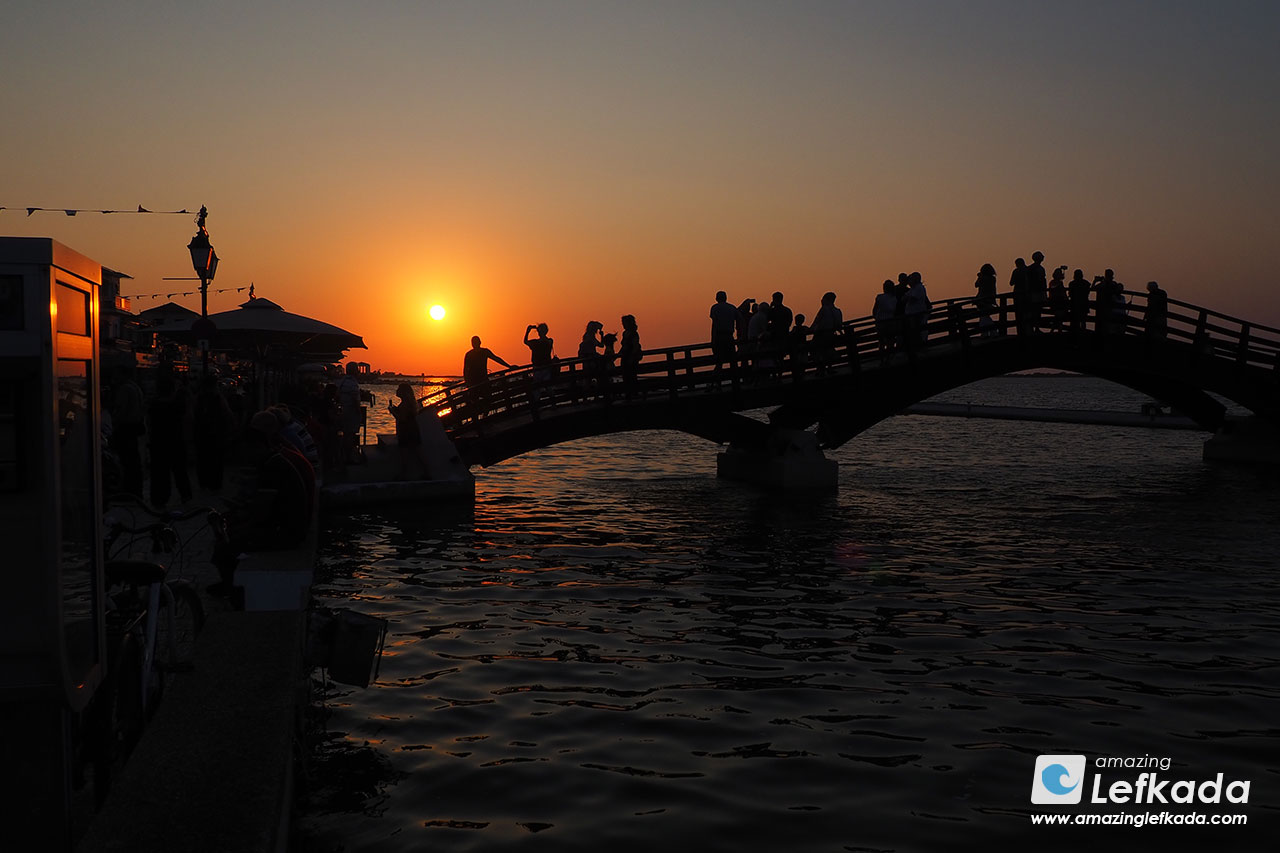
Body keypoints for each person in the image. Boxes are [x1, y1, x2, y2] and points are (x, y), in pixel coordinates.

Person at [210, 410, 311, 596]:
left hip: (286, 533)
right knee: (231, 533)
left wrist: (237, 520)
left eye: (246, 451)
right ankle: (232, 583)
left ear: (256, 446)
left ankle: (234, 591)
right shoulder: (273, 461)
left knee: (226, 544)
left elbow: (261, 512)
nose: (245, 457)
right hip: (284, 526)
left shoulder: (272, 467)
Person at [147, 370, 192, 508]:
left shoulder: (154, 405)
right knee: (180, 471)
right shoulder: (177, 405)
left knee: (160, 473)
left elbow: (149, 424)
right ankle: (185, 495)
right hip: (176, 442)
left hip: (158, 443)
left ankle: (159, 499)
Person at [193, 374, 235, 492]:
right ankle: (215, 484)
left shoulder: (199, 398)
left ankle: (204, 483)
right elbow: (228, 416)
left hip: (202, 435)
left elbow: (193, 416)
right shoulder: (218, 398)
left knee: (203, 460)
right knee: (216, 461)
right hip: (216, 435)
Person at [109, 364, 146, 498]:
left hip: (125, 429)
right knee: (134, 461)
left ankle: (129, 490)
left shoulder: (124, 390)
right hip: (134, 428)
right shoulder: (136, 388)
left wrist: (114, 423)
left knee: (127, 461)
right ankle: (136, 490)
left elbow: (120, 411)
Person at [463, 336, 512, 419]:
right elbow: (465, 370)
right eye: (473, 342)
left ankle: (484, 417)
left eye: (476, 342)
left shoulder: (484, 352)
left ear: (479, 342)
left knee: (488, 400)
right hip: (473, 382)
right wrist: (467, 382)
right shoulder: (469, 354)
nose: (475, 344)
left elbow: (496, 359)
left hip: (483, 380)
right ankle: (478, 420)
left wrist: (509, 366)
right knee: (475, 402)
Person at [388, 383, 424, 479]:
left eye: (399, 389)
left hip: (406, 432)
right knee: (416, 453)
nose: (397, 390)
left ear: (403, 392)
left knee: (405, 455)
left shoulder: (405, 404)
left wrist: (393, 412)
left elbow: (402, 418)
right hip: (412, 431)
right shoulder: (408, 403)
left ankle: (405, 474)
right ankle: (424, 472)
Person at [336, 362, 363, 464]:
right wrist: (359, 413)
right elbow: (355, 400)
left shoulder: (342, 381)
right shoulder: (352, 383)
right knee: (350, 436)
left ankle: (344, 456)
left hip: (343, 411)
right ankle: (348, 457)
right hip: (350, 413)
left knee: (346, 435)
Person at [810, 291, 843, 372]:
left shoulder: (824, 309)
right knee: (828, 352)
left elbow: (816, 321)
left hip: (821, 335)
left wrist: (810, 330)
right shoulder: (838, 311)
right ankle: (829, 368)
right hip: (831, 335)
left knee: (814, 350)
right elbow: (839, 325)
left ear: (826, 300)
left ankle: (820, 368)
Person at [710, 291, 739, 379]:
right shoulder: (732, 307)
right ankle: (736, 383)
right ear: (726, 298)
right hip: (729, 336)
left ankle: (717, 384)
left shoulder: (715, 308)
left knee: (719, 362)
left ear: (717, 298)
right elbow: (740, 319)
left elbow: (714, 325)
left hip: (719, 337)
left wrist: (713, 340)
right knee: (733, 362)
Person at [903, 272, 931, 350]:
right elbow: (904, 298)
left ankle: (919, 348)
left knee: (917, 332)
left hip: (916, 314)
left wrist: (907, 298)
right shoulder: (913, 289)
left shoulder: (918, 288)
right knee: (915, 332)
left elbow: (912, 298)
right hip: (913, 314)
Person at [872, 279, 898, 359]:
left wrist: (876, 318)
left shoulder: (880, 297)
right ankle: (890, 357)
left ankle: (882, 358)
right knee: (890, 341)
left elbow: (874, 310)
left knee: (881, 342)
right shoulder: (894, 298)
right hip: (891, 322)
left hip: (881, 322)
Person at [619, 314, 642, 399]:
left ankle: (633, 393)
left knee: (632, 376)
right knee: (626, 376)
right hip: (625, 357)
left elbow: (635, 346)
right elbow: (623, 346)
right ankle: (629, 394)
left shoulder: (634, 333)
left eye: (624, 323)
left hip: (631, 358)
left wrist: (632, 358)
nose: (623, 325)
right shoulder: (625, 333)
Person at [973, 264, 998, 337]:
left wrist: (979, 277)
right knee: (984, 316)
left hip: (982, 299)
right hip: (990, 299)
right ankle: (987, 333)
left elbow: (976, 285)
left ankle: (989, 332)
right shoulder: (993, 278)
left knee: (984, 316)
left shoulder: (982, 278)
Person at [1028, 251, 1048, 330]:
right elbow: (1042, 280)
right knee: (1036, 311)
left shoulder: (1031, 268)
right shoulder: (1037, 268)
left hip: (1035, 292)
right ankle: (1034, 328)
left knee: (1036, 310)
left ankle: (1034, 328)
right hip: (1036, 292)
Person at [1068, 269, 1091, 333]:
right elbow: (1088, 291)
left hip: (1074, 304)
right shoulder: (1085, 283)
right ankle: (1082, 334)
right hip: (1083, 304)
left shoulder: (1072, 283)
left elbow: (1070, 294)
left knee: (1075, 322)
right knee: (1083, 321)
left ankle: (1074, 334)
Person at [788, 314, 810, 381]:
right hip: (802, 347)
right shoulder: (804, 328)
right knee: (803, 362)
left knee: (797, 362)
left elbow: (790, 335)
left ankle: (797, 375)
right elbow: (810, 330)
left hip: (796, 348)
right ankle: (802, 374)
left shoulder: (794, 329)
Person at [1048, 266, 1068, 332]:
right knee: (1059, 318)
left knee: (1058, 318)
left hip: (1058, 302)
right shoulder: (1054, 283)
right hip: (1057, 303)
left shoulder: (1054, 282)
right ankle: (1057, 330)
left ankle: (1055, 330)